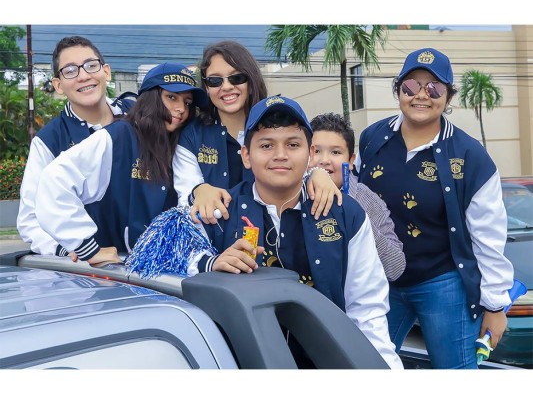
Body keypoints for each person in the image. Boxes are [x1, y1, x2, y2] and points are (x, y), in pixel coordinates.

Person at [186, 95, 403, 369]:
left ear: (310, 154)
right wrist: (210, 264)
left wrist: (382, 370)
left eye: (293, 144)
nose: (280, 155)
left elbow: (367, 305)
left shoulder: (345, 213)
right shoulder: (219, 212)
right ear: (246, 155)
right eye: (266, 145)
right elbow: (158, 262)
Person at [354, 47, 514, 369]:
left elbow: (488, 235)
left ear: (449, 96)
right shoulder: (372, 138)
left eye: (434, 88)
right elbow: (354, 199)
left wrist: (495, 306)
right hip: (380, 282)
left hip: (443, 283)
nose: (421, 96)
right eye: (411, 86)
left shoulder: (470, 156)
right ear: (399, 90)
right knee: (364, 366)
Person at [34, 62, 208, 265]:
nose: (181, 109)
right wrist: (87, 248)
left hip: (165, 275)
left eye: (187, 102)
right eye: (171, 97)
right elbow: (54, 180)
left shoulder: (180, 144)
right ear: (150, 99)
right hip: (114, 277)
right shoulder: (118, 136)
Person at [172, 40, 340, 225]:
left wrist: (317, 173)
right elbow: (186, 195)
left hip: (276, 238)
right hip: (214, 244)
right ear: (206, 87)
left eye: (236, 78)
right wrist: (198, 190)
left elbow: (298, 168)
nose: (226, 87)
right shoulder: (192, 135)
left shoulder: (277, 120)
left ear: (251, 80)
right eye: (215, 80)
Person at [17, 35, 135, 257]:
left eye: (91, 66)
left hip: (155, 266)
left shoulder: (137, 114)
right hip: (90, 273)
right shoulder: (49, 140)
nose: (83, 76)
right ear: (58, 85)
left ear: (106, 72)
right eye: (70, 71)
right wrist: (68, 251)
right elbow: (30, 219)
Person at [310, 113, 406, 281]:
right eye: (317, 151)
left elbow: (395, 268)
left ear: (351, 160)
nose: (324, 160)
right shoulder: (294, 194)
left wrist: (356, 215)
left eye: (335, 152)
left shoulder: (367, 199)